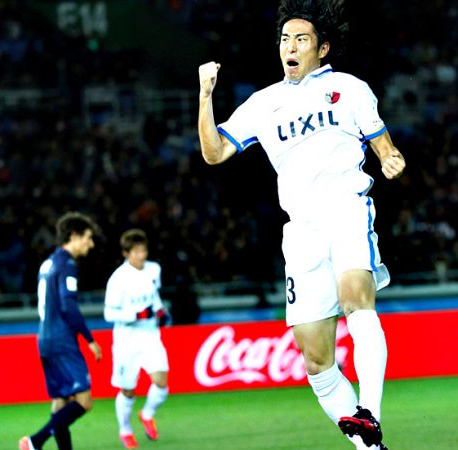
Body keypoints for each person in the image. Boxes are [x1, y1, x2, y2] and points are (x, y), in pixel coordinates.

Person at [197, 1, 405, 448]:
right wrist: (205, 95)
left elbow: (382, 142)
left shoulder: (349, 89)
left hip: (346, 207)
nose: (290, 47)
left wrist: (390, 157)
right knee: (315, 359)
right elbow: (214, 153)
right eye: (285, 39)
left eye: (301, 39)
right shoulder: (262, 103)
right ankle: (371, 446)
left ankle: (369, 410)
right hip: (301, 230)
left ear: (322, 48)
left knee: (356, 300)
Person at [19, 213, 102, 450]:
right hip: (62, 340)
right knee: (84, 402)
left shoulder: (48, 263)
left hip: (44, 337)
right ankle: (35, 441)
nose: (91, 243)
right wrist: (89, 339)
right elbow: (68, 305)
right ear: (74, 236)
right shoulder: (67, 264)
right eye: (87, 238)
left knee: (61, 402)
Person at [104, 229, 170, 449]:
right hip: (126, 341)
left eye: (143, 250)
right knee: (128, 390)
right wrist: (136, 315)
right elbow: (109, 314)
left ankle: (147, 414)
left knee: (161, 383)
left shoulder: (154, 269)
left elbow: (154, 296)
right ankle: (125, 430)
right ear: (126, 253)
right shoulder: (118, 279)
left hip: (151, 336)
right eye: (136, 252)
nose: (141, 255)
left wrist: (161, 311)